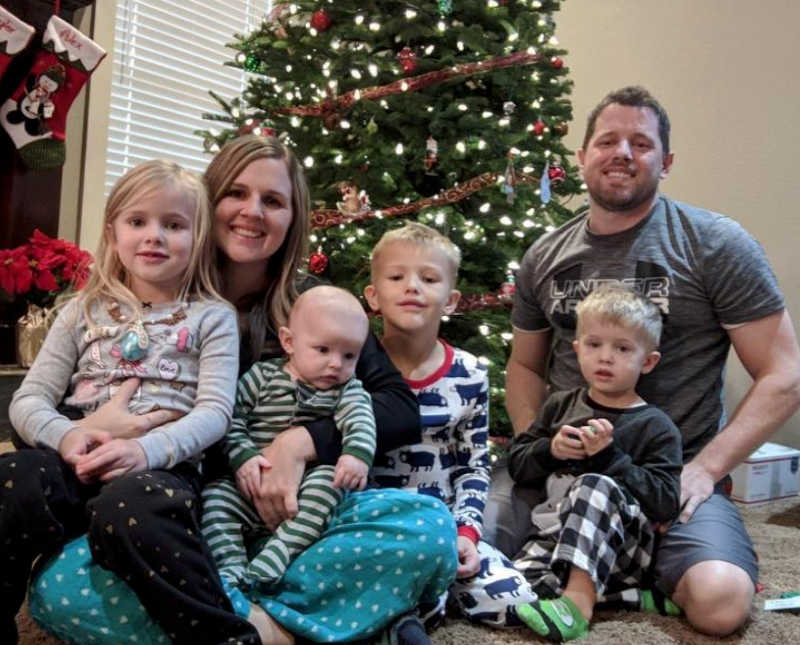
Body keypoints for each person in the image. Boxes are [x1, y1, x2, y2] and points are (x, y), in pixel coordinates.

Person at [23, 135, 456, 645]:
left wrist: (301, 442)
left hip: (299, 517)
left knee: (427, 527)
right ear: (208, 202)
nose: (253, 212)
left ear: (293, 219)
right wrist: (90, 428)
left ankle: (254, 617)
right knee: (60, 589)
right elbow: (32, 410)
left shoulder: (313, 308)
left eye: (272, 201)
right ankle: (299, 623)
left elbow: (398, 406)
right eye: (236, 193)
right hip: (182, 520)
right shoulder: (145, 299)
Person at [495, 85, 800, 636]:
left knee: (720, 605)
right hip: (559, 468)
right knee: (457, 559)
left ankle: (619, 572)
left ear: (666, 162)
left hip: (667, 474)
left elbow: (784, 374)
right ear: (582, 156)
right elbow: (524, 366)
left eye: (641, 142)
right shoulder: (544, 254)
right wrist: (534, 446)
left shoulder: (715, 245)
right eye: (607, 141)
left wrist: (705, 471)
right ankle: (608, 572)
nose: (623, 153)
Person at [1, 159, 239, 644]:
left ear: (197, 240)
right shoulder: (79, 310)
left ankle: (224, 636)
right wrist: (68, 435)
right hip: (72, 458)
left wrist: (146, 451)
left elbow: (215, 412)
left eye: (173, 225)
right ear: (112, 233)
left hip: (158, 467)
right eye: (138, 222)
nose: (154, 236)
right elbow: (28, 401)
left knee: (136, 507)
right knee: (11, 478)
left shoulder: (214, 317)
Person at [364, 222, 536, 634]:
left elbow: (474, 467)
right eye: (396, 276)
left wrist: (467, 534)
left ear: (452, 300)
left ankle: (433, 591)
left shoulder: (471, 374)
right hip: (379, 530)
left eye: (428, 278)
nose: (412, 287)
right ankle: (411, 604)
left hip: (446, 527)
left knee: (515, 600)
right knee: (390, 608)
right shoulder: (355, 368)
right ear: (372, 296)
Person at [509, 285, 682, 641]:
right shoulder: (559, 405)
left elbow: (665, 502)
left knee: (593, 483)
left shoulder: (655, 425)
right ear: (577, 350)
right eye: (594, 345)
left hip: (623, 554)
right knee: (505, 595)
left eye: (622, 348)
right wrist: (550, 451)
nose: (605, 358)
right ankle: (629, 600)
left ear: (647, 361)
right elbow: (517, 465)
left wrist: (608, 459)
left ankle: (578, 604)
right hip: (553, 539)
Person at [202, 285, 375, 591]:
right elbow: (230, 417)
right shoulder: (261, 376)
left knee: (328, 483)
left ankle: (277, 554)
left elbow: (360, 420)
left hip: (305, 489)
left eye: (349, 355)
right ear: (288, 342)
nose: (336, 364)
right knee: (215, 498)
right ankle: (230, 569)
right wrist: (243, 457)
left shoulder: (347, 389)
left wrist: (356, 455)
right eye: (323, 350)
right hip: (249, 484)